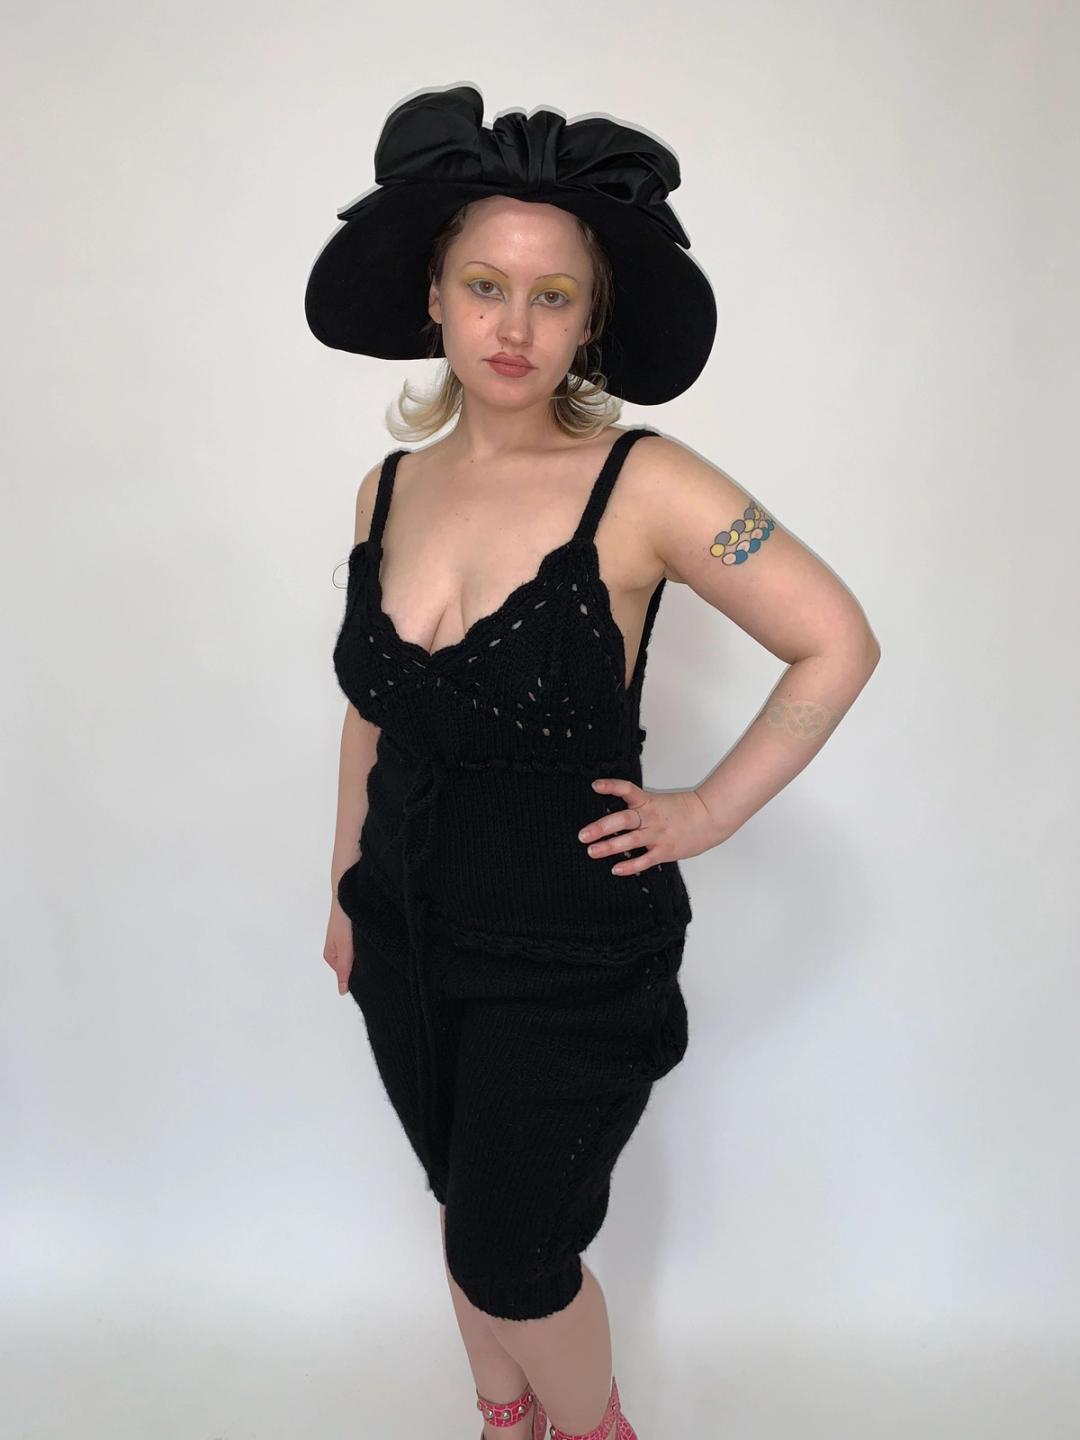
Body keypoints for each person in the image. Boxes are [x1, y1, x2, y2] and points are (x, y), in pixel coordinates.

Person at [306, 86, 880, 1440]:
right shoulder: (385, 491)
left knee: (515, 1253)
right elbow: (375, 715)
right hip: (404, 929)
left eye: (551, 296)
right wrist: (342, 886)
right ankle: (504, 1422)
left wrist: (706, 812)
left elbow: (836, 641)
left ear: (589, 320)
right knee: (461, 1204)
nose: (513, 326)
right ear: (435, 299)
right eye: (485, 286)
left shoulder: (651, 484)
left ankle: (593, 1431)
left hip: (567, 950)